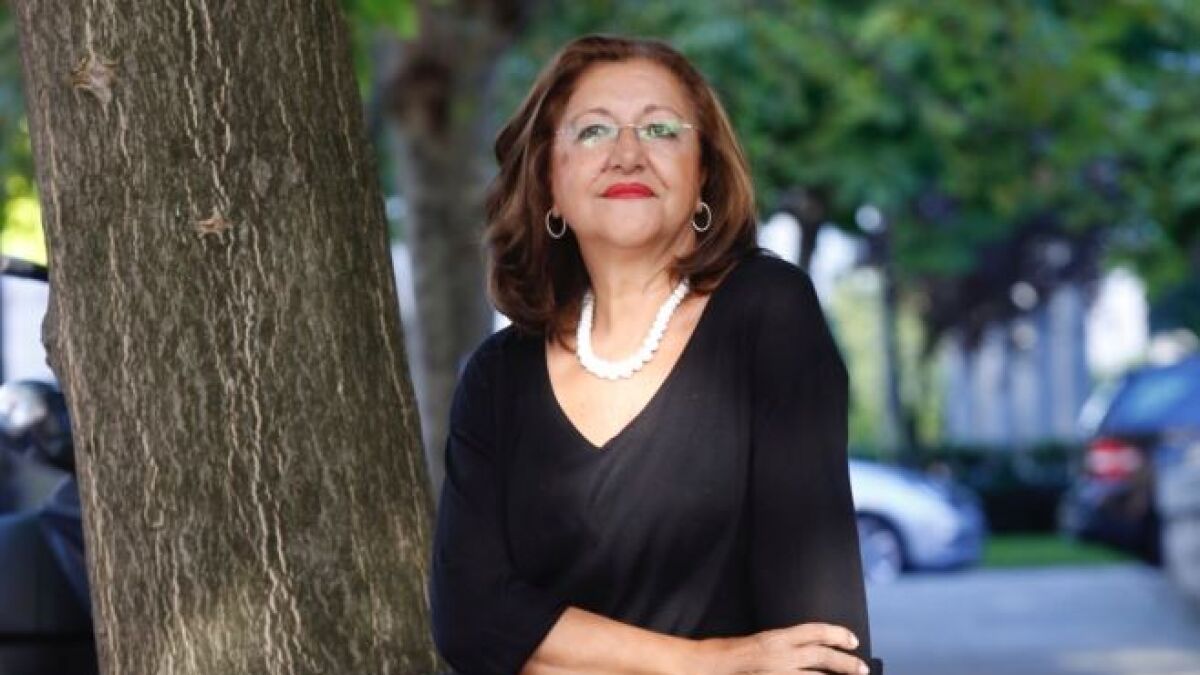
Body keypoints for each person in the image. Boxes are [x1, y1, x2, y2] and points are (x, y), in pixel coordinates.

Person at [430, 34, 883, 675]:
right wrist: (712, 663)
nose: (627, 154)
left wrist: (553, 652)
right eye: (593, 131)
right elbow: (470, 621)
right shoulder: (498, 377)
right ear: (549, 180)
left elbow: (817, 647)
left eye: (661, 129)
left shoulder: (767, 312)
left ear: (703, 176)